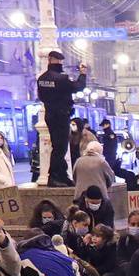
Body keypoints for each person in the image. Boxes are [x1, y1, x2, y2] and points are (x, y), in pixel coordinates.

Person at [36, 51, 85, 186]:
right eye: (60, 61)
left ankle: (62, 175)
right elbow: (78, 87)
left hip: (50, 115)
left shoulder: (41, 79)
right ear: (55, 60)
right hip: (62, 115)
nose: (61, 64)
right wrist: (83, 74)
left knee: (57, 146)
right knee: (61, 148)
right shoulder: (61, 79)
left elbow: (41, 97)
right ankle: (53, 177)